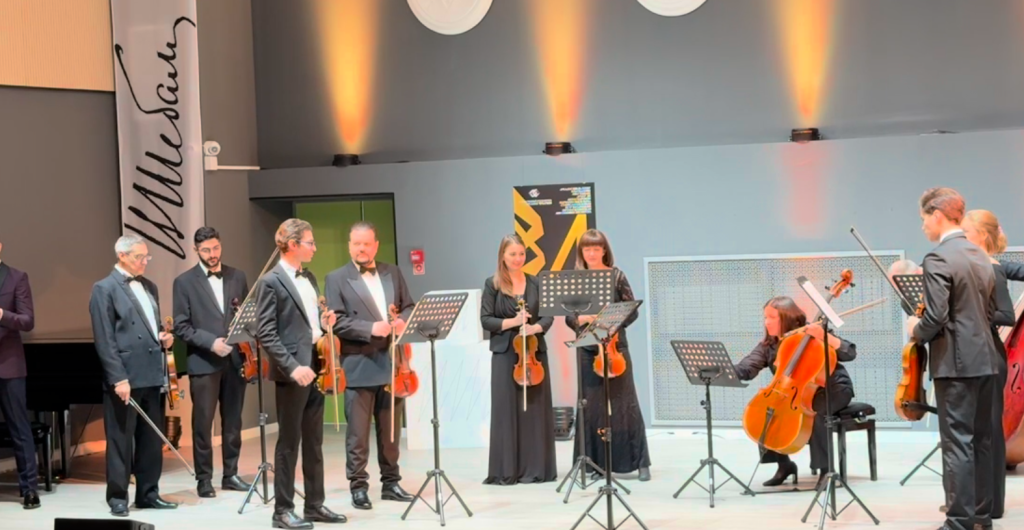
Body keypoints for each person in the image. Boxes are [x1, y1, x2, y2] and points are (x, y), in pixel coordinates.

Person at [907, 188, 1000, 530]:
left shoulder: (938, 258)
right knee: (981, 441)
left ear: (937, 215)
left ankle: (959, 521)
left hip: (957, 364)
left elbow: (936, 317)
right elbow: (988, 313)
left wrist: (915, 330)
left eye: (923, 219)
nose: (922, 226)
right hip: (987, 360)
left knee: (957, 442)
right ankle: (981, 517)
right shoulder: (981, 255)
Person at [256, 219, 345, 529]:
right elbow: (266, 333)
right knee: (289, 443)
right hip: (294, 372)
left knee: (314, 441)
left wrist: (324, 321)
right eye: (310, 242)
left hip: (317, 366)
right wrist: (293, 367)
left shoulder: (309, 277)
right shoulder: (270, 282)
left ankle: (314, 504)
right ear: (292, 244)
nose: (314, 247)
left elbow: (307, 324)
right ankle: (282, 511)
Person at [324, 221, 415, 510]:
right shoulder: (336, 278)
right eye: (356, 243)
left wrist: (402, 321)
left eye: (366, 243)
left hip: (393, 364)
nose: (361, 248)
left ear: (376, 245)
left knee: (390, 433)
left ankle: (391, 483)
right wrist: (371, 328)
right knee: (358, 435)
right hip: (359, 362)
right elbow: (336, 321)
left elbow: (409, 306)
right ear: (349, 245)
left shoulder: (393, 272)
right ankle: (358, 487)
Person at [89, 234, 177, 517]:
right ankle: (117, 497)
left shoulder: (150, 286)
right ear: (122, 255)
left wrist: (162, 337)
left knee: (151, 439)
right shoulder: (104, 288)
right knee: (120, 440)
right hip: (125, 377)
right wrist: (118, 378)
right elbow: (105, 340)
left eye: (147, 256)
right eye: (140, 257)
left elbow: (148, 325)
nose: (145, 261)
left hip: (151, 372)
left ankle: (148, 493)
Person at [735, 296, 858, 489]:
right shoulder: (769, 345)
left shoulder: (813, 332)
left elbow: (849, 353)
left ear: (787, 318)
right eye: (765, 317)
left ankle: (826, 470)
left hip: (833, 389)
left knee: (817, 412)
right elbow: (747, 368)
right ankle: (784, 465)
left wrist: (824, 336)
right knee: (767, 411)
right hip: (794, 393)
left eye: (772, 317)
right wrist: (722, 369)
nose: (766, 322)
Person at [564, 229, 651, 481]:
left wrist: (614, 323)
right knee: (591, 406)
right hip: (588, 349)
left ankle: (639, 462)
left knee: (625, 403)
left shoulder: (616, 276)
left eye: (596, 248)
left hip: (615, 348)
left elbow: (632, 310)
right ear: (581, 252)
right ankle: (593, 463)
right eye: (587, 249)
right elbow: (569, 318)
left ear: (604, 250)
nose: (591, 253)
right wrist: (581, 319)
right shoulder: (576, 280)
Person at [172, 227, 252, 498]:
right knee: (203, 424)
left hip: (235, 360)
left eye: (216, 248)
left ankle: (231, 474)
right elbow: (181, 326)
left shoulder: (237, 276)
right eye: (206, 250)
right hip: (203, 361)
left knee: (233, 421)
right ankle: (204, 478)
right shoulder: (184, 282)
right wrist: (211, 342)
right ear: (196, 250)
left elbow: (245, 315)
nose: (212, 254)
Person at [480, 234, 556, 484]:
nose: (518, 258)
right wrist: (513, 322)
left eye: (521, 254)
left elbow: (548, 316)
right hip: (506, 355)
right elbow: (486, 320)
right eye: (512, 254)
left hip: (533, 352)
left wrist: (536, 327)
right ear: (503, 255)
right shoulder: (492, 284)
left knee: (535, 410)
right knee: (507, 411)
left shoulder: (536, 282)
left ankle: (537, 468)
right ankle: (507, 470)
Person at [961, 209, 1014, 521]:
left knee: (990, 431)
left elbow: (1006, 315)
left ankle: (993, 504)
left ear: (980, 236)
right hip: (976, 354)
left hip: (990, 356)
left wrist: (968, 311)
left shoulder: (992, 268)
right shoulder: (973, 268)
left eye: (965, 232)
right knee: (978, 431)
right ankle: (979, 501)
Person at [0, 239, 40, 509]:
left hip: (8, 365)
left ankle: (29, 490)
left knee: (19, 428)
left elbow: (27, 321)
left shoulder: (16, 277)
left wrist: (2, 314)